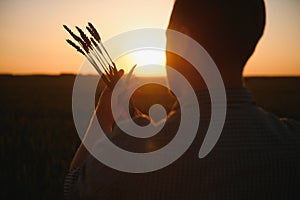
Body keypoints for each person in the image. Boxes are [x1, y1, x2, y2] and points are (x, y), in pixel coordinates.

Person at [65, 0, 300, 199]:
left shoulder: (131, 155)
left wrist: (105, 112)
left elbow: (72, 189)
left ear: (183, 41)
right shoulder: (293, 143)